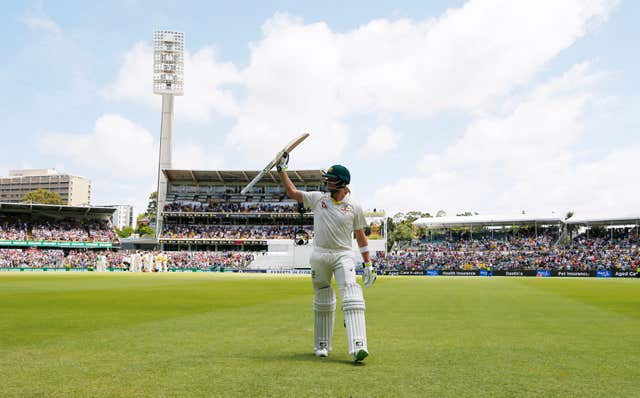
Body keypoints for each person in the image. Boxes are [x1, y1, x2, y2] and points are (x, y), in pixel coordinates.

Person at [277, 153, 376, 363]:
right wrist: (282, 170)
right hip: (320, 255)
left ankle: (359, 346)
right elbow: (292, 192)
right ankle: (322, 345)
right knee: (323, 298)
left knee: (352, 295)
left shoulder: (355, 207)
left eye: (331, 180)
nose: (327, 183)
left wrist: (368, 263)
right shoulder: (318, 199)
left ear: (342, 183)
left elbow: (360, 236)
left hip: (343, 256)